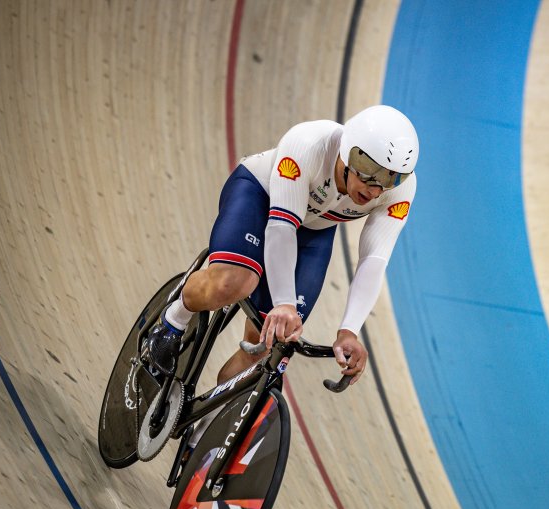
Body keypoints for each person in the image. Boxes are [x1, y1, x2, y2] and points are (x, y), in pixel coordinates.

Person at [142, 105, 418, 388]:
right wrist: (283, 302)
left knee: (270, 345)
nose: (375, 190)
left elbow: (374, 260)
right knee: (233, 283)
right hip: (260, 196)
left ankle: (206, 426)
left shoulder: (399, 192)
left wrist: (349, 331)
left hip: (313, 230)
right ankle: (173, 319)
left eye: (390, 179)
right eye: (369, 175)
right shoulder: (309, 143)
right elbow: (281, 226)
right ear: (347, 155)